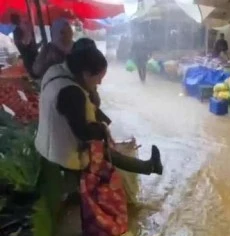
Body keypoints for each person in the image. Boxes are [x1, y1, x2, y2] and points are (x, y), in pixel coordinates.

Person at [35, 46, 163, 177]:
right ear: (86, 74)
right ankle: (150, 167)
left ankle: (149, 166)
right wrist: (103, 129)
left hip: (46, 148)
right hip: (64, 161)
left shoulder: (54, 71)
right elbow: (84, 133)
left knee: (106, 151)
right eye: (98, 78)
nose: (100, 83)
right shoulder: (72, 92)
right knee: (104, 153)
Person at [10, 13, 38, 77]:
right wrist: (27, 30)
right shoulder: (17, 31)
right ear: (19, 21)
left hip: (32, 59)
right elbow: (24, 43)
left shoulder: (20, 30)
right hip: (30, 61)